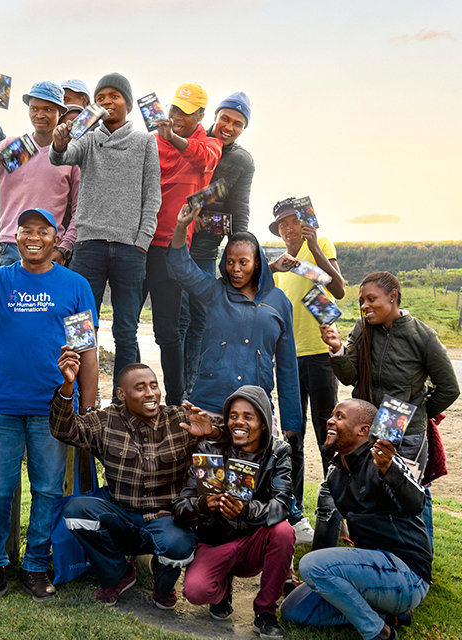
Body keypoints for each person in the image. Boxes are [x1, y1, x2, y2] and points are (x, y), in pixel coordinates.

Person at [0, 206, 98, 604]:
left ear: (55, 238)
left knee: (47, 490)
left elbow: (86, 350)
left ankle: (35, 566)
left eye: (42, 230)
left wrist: (87, 409)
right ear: (15, 237)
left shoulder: (75, 286)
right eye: (26, 230)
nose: (33, 237)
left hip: (54, 408)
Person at [50, 354, 221, 608]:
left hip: (166, 518)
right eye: (140, 388)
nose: (150, 393)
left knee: (179, 545)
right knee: (76, 511)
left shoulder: (179, 419)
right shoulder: (106, 421)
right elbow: (63, 429)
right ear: (121, 394)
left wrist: (212, 432)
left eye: (154, 386)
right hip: (120, 514)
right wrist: (67, 387)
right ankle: (118, 573)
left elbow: (227, 441)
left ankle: (162, 582)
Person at [320, 271, 459, 544]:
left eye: (371, 299)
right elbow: (349, 376)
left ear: (393, 296)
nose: (364, 306)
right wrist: (337, 349)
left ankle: (419, 555)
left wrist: (417, 414)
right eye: (362, 300)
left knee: (409, 493)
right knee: (370, 492)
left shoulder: (422, 336)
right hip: (367, 427)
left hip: (405, 431)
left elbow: (449, 388)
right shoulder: (362, 329)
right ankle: (373, 550)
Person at [281, 399, 432, 640]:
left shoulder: (384, 463)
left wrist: (390, 469)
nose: (330, 421)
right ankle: (387, 613)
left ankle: (378, 632)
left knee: (312, 565)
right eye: (332, 415)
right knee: (293, 610)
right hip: (369, 570)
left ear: (363, 430)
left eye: (340, 417)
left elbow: (416, 503)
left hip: (407, 575)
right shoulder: (336, 472)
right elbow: (331, 523)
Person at [50, 71, 162, 399]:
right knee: (81, 326)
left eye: (114, 96)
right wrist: (60, 140)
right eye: (100, 98)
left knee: (126, 330)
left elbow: (152, 195)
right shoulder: (87, 139)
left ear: (128, 102)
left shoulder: (145, 142)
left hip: (130, 249)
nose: (107, 102)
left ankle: (122, 401)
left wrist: (142, 242)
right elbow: (60, 157)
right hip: (89, 246)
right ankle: (81, 399)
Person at [168, 204, 302, 435]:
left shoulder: (279, 302)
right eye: (230, 262)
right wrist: (182, 226)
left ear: (257, 262)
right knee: (205, 460)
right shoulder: (214, 292)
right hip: (208, 405)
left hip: (255, 409)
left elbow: (287, 365)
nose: (235, 269)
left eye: (243, 262)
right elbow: (181, 265)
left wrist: (291, 423)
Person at [172, 385, 294, 639]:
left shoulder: (278, 452)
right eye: (233, 416)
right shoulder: (210, 449)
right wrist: (204, 504)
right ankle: (222, 588)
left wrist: (245, 510)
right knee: (196, 591)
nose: (239, 422)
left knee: (283, 532)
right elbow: (180, 507)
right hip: (216, 539)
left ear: (263, 423)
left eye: (248, 417)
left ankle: (265, 612)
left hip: (254, 540)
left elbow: (281, 506)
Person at [268, 198, 345, 544]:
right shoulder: (280, 266)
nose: (288, 229)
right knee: (292, 438)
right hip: (289, 359)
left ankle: (336, 513)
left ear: (304, 223)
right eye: (282, 225)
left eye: (292, 222)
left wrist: (312, 249)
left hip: (320, 355)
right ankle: (295, 515)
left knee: (328, 434)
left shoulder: (320, 244)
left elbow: (338, 290)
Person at [146, 82, 222, 404]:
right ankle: (127, 399)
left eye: (186, 112)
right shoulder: (151, 141)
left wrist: (173, 138)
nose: (177, 116)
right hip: (138, 242)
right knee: (125, 326)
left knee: (168, 332)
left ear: (201, 115)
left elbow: (203, 158)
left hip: (171, 248)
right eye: (174, 108)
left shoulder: (210, 145)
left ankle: (175, 402)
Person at [181, 91, 254, 396]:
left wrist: (243, 251)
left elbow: (239, 208)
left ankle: (191, 390)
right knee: (178, 319)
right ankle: (176, 389)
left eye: (238, 123)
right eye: (225, 118)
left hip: (206, 249)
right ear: (215, 116)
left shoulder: (241, 161)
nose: (229, 127)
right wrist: (187, 215)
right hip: (173, 243)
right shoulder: (192, 139)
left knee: (200, 320)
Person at [0, 80, 79, 266]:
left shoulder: (69, 155)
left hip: (49, 246)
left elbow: (79, 209)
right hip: (11, 243)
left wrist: (64, 248)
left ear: (60, 113)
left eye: (48, 109)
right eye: (34, 108)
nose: (40, 115)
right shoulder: (16, 147)